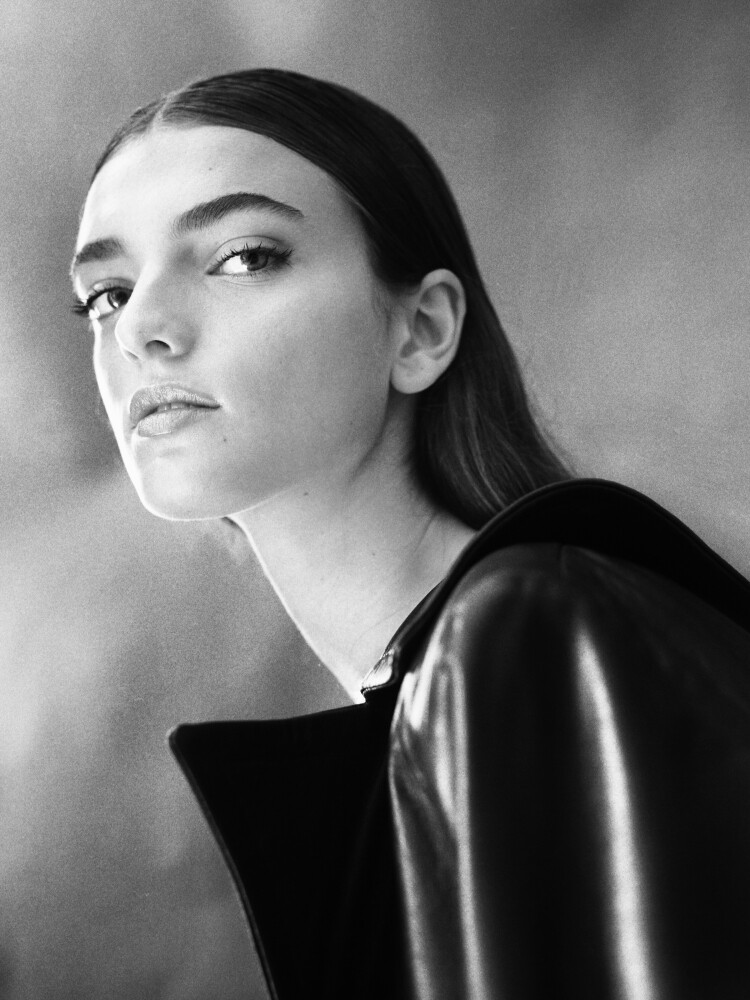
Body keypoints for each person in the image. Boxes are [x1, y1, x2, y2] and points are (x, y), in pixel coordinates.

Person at [70, 69, 750, 1000]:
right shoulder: (477, 663)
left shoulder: (529, 632)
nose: (140, 326)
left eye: (243, 256)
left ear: (422, 329)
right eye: (106, 294)